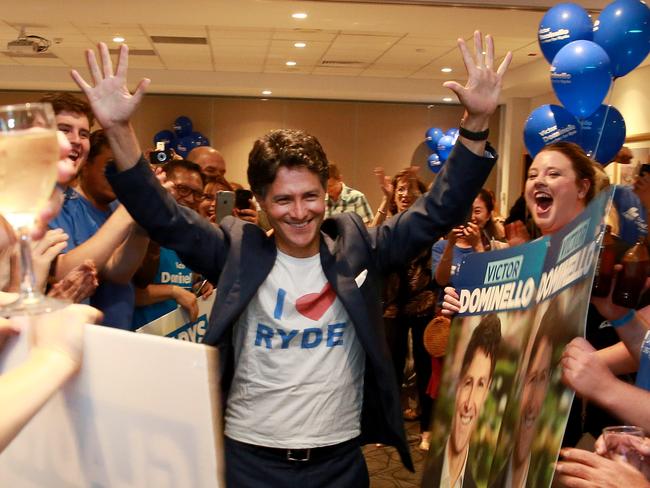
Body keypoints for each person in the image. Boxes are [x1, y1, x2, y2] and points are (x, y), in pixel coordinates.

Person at [71, 31, 511, 486]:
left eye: (310, 197)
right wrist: (120, 131)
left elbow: (436, 209)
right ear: (260, 199)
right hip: (249, 460)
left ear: (327, 194)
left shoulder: (359, 248)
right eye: (283, 200)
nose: (299, 213)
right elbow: (163, 217)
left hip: (338, 461)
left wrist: (477, 123)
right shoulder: (235, 251)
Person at [49, 129, 149, 329]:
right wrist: (130, 210)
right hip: (75, 334)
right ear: (85, 164)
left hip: (120, 330)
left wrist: (145, 218)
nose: (119, 178)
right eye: (110, 167)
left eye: (125, 170)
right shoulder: (63, 206)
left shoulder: (117, 209)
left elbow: (121, 273)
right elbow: (66, 274)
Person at [422, 313, 502, 488]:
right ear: (456, 385)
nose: (469, 404)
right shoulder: (431, 474)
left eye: (481, 385)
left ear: (488, 391)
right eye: (467, 382)